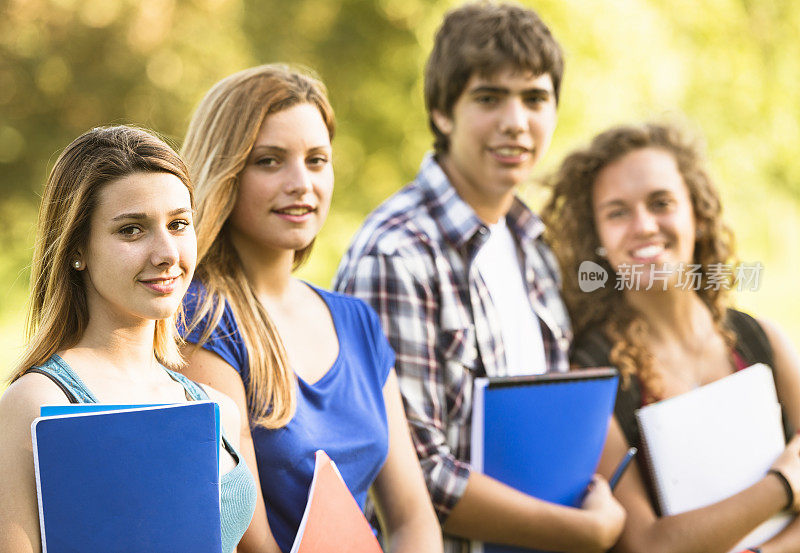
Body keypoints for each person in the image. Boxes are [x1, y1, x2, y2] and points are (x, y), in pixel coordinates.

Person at [333, 3, 626, 552]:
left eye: (535, 99)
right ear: (443, 113)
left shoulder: (534, 246)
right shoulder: (397, 255)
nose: (516, 122)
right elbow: (411, 474)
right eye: (489, 98)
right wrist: (580, 533)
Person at [178, 64, 442, 553]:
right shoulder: (200, 319)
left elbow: (411, 520)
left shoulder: (357, 321)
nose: (302, 183)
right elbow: (248, 544)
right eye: (270, 161)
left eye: (317, 160)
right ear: (226, 171)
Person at [543, 121, 800, 553]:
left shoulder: (762, 341)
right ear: (598, 239)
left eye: (661, 203)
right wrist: (783, 485)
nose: (643, 225)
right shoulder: (590, 375)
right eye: (617, 212)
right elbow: (647, 546)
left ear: (697, 215)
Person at [0, 125, 256, 553]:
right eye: (132, 230)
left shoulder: (216, 409)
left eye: (178, 224)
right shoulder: (38, 405)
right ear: (77, 248)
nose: (167, 254)